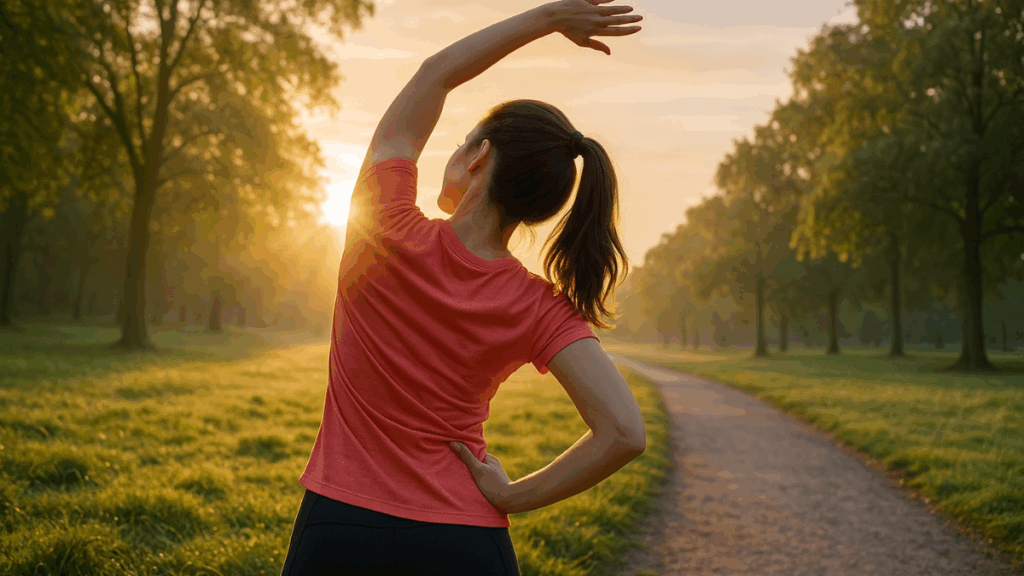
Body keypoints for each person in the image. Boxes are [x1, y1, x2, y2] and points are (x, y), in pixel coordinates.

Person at [280, 1, 645, 574]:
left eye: (462, 140)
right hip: (464, 541)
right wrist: (510, 495)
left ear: (478, 156)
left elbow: (435, 74)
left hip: (341, 524)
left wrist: (546, 19)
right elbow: (623, 432)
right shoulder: (538, 307)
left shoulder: (383, 227)